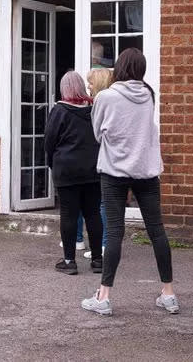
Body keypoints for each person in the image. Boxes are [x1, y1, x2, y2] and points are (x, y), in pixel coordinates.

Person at [81, 48, 178, 316]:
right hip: (146, 170)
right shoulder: (148, 95)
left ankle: (104, 296)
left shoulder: (105, 97)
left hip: (114, 172)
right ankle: (168, 294)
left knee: (114, 233)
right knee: (157, 231)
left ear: (119, 68)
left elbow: (98, 133)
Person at [44, 71, 103, 275]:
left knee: (69, 216)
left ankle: (69, 261)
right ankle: (98, 260)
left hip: (67, 170)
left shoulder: (59, 110)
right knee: (93, 214)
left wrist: (52, 163)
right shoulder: (93, 109)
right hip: (93, 170)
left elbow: (49, 142)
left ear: (64, 89)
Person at [82, 67, 113, 260]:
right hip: (105, 159)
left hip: (106, 159)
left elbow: (99, 134)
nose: (88, 86)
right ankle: (106, 243)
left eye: (91, 82)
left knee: (103, 204)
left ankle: (104, 245)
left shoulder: (102, 103)